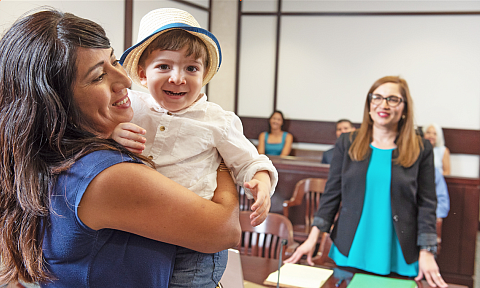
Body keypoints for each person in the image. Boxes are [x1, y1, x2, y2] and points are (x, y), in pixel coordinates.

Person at [0, 9, 242, 287]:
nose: (126, 80)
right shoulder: (106, 176)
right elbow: (225, 230)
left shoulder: (52, 157)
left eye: (114, 61)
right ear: (57, 102)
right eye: (98, 76)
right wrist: (221, 156)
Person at [112, 8, 278, 287]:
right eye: (164, 66)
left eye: (191, 68)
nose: (178, 78)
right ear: (142, 73)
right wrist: (114, 132)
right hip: (142, 231)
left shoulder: (217, 120)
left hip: (195, 245)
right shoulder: (130, 106)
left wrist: (261, 181)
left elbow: (248, 160)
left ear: (203, 75)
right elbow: (95, 129)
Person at [285, 76, 447, 288]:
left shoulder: (421, 148)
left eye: (393, 99)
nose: (384, 104)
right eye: (377, 97)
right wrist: (313, 237)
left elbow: (427, 203)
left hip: (398, 252)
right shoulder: (347, 142)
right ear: (369, 105)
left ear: (404, 108)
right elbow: (332, 195)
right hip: (351, 249)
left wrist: (427, 251)